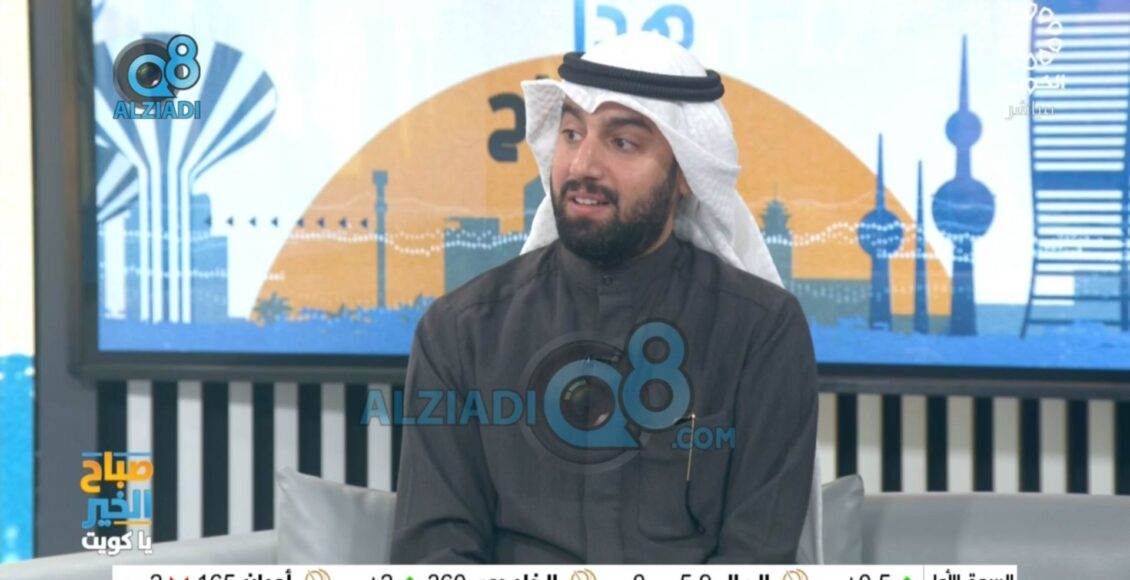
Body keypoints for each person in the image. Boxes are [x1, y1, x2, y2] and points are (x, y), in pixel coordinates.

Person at [391, 31, 818, 564]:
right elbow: (435, 552)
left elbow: (756, 556)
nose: (582, 166)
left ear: (685, 173)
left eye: (622, 143)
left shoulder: (761, 333)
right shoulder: (460, 332)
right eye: (571, 134)